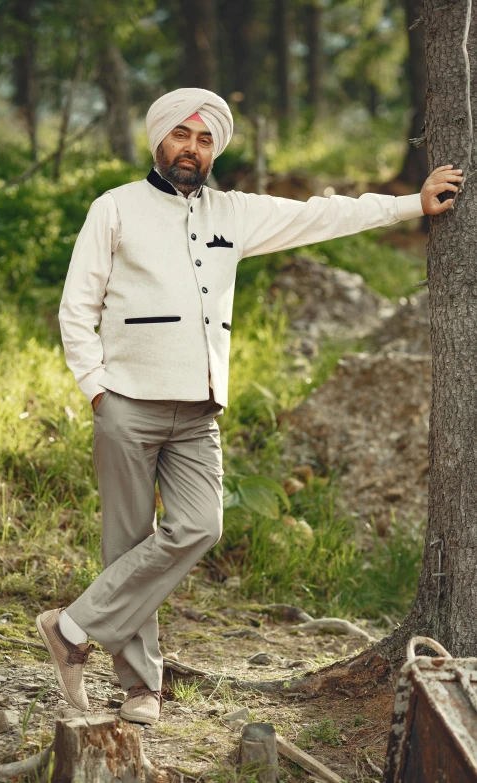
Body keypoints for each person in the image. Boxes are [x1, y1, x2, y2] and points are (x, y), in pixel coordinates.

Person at [35, 86, 462, 727]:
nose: (192, 147)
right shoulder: (114, 208)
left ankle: (70, 628)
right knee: (126, 546)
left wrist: (409, 204)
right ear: (159, 140)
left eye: (206, 140)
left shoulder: (234, 213)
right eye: (182, 135)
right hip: (125, 402)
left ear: (216, 152)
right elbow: (77, 308)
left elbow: (323, 215)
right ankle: (140, 688)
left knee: (200, 528)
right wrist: (96, 388)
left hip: (198, 411)